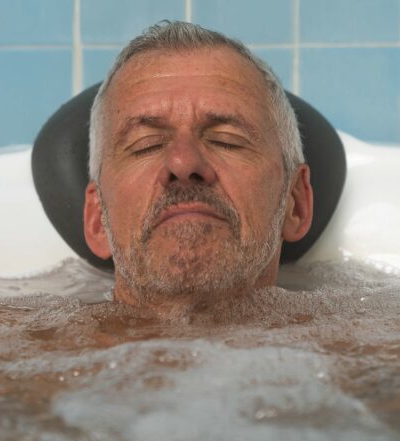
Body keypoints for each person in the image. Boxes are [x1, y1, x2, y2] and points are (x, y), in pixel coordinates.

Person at [82, 21, 314, 317]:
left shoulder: (362, 345)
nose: (183, 162)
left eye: (226, 140)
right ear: (97, 220)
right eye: (147, 144)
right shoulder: (22, 342)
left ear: (296, 203)